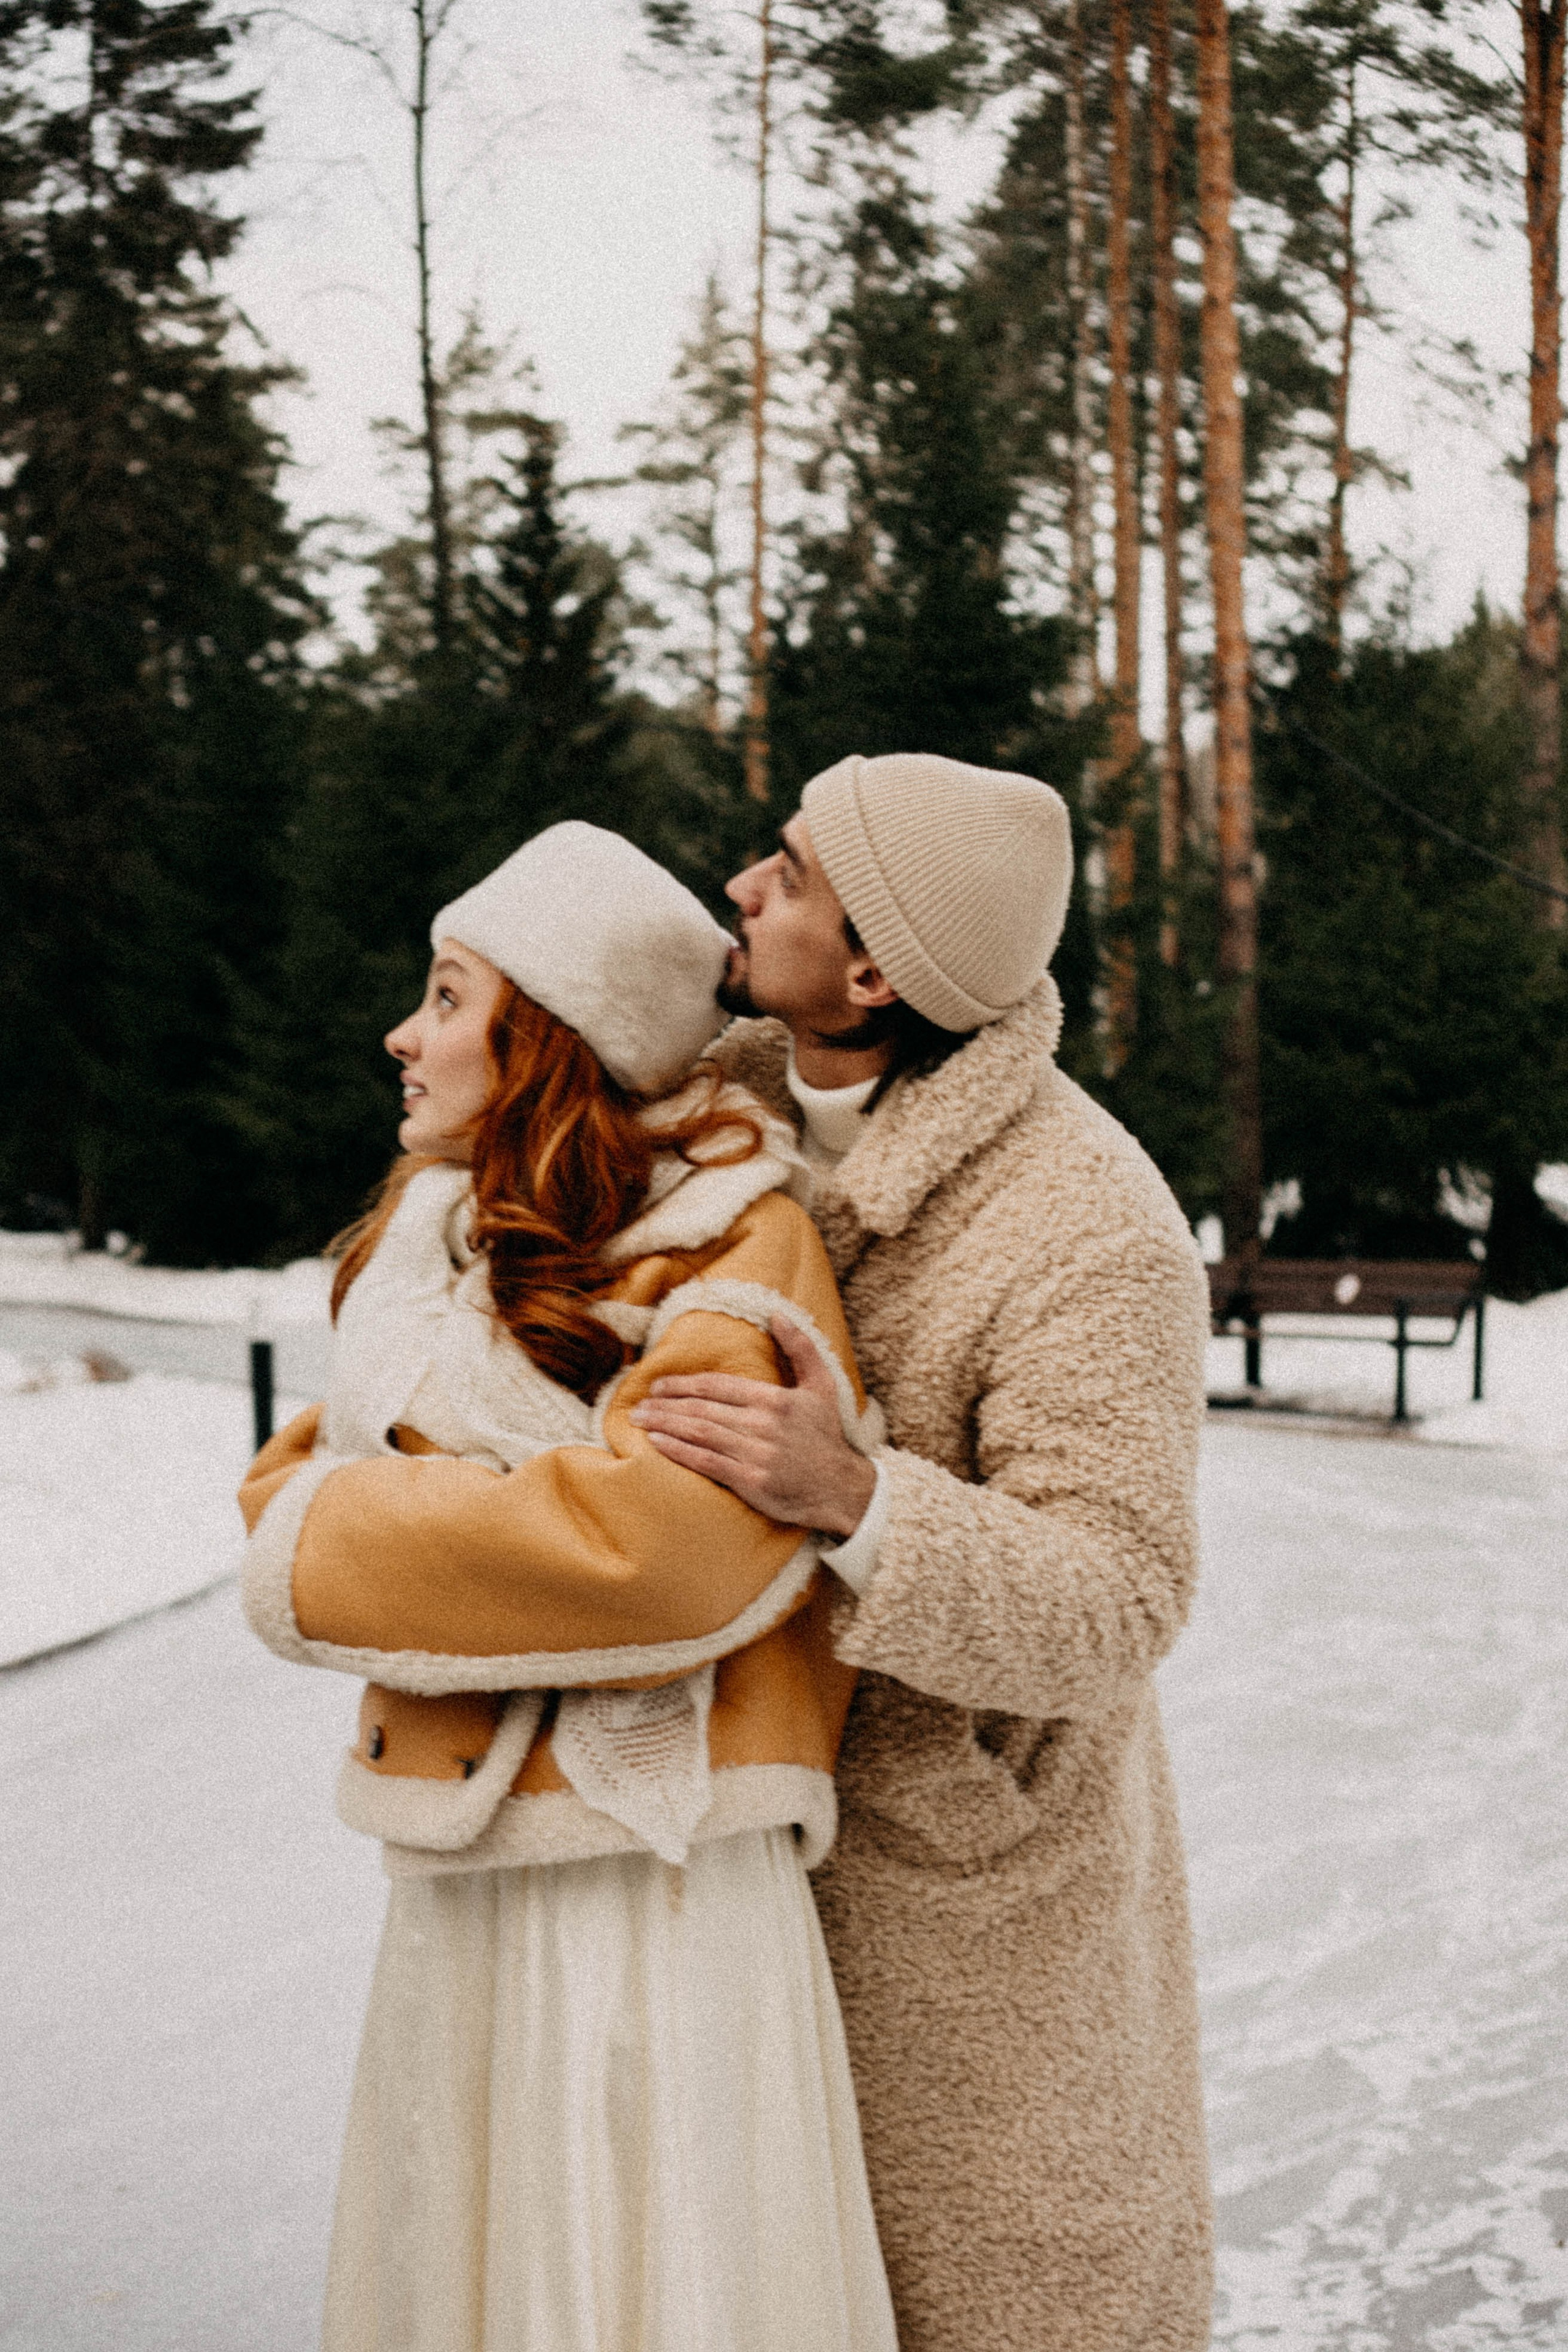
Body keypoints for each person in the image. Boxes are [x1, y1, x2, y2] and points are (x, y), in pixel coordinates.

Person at [238, 821, 899, 2352]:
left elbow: (661, 1552)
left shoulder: (739, 1232)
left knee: (661, 2281)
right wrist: (467, 1507)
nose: (404, 1034)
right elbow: (284, 1490)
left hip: (661, 1888)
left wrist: (371, 1517)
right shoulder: (430, 1250)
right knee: (469, 2278)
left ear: (549, 1037)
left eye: (450, 994)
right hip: (469, 1882)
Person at [629, 752, 1215, 2352]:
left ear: (877, 968)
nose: (744, 886)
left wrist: (860, 1497)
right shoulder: (703, 1114)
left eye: (794, 874)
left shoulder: (1091, 1227)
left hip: (958, 1917)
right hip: (715, 1850)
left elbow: (1120, 1598)